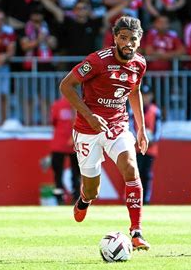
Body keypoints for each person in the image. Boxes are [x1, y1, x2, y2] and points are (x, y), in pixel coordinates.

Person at [60, 16, 151, 250]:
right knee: (93, 189)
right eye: (123, 38)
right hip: (87, 129)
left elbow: (134, 91)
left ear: (139, 41)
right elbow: (65, 85)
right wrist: (89, 115)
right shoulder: (98, 61)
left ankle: (137, 231)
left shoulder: (139, 63)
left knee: (131, 167)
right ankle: (84, 199)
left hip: (118, 124)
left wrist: (141, 128)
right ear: (115, 38)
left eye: (133, 39)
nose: (128, 43)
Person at [130, 84, 162, 204]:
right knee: (135, 173)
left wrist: (153, 139)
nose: (145, 98)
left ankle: (146, 198)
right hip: (136, 147)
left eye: (147, 96)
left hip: (151, 148)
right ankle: (135, 197)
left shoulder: (155, 110)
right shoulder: (133, 109)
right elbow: (130, 127)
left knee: (146, 173)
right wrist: (136, 139)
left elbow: (159, 128)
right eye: (143, 96)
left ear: (151, 96)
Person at [50, 95, 80, 205]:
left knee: (58, 173)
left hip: (60, 143)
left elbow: (53, 121)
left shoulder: (57, 105)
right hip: (74, 143)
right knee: (76, 172)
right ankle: (76, 197)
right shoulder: (78, 104)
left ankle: (59, 198)